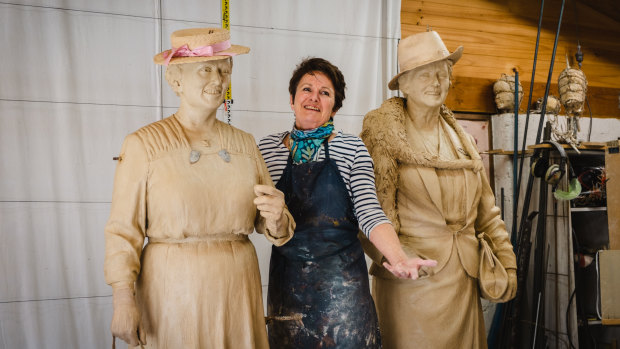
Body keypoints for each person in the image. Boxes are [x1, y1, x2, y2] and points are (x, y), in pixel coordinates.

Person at [104, 28, 294, 348]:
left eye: (224, 69)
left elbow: (275, 225)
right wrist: (123, 299)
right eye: (206, 69)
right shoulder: (144, 145)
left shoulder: (244, 145)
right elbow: (123, 230)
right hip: (173, 294)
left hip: (238, 293)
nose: (218, 79)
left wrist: (277, 218)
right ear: (176, 80)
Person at [258, 57, 437, 348]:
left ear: (335, 106)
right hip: (289, 287)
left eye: (325, 93)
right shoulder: (267, 149)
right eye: (306, 89)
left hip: (343, 290)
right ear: (292, 99)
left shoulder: (351, 147)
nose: (314, 98)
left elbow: (369, 211)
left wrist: (399, 257)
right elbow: (254, 215)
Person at [360, 31, 517, 348]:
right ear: (404, 83)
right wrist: (398, 258)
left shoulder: (462, 140)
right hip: (411, 285)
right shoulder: (384, 136)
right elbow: (366, 213)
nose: (435, 82)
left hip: (463, 282)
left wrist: (507, 261)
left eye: (442, 73)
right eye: (424, 74)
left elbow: (488, 213)